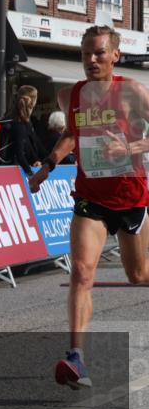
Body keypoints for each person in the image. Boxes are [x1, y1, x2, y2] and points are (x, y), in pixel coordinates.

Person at [29, 25, 149, 389]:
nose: (91, 60)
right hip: (90, 197)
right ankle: (76, 357)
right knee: (81, 272)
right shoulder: (74, 95)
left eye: (98, 53)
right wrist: (48, 166)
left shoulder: (132, 92)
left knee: (138, 276)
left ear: (115, 54)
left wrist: (127, 150)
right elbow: (71, 133)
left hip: (131, 196)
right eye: (85, 54)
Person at [7, 85, 47, 177]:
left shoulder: (25, 121)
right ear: (33, 101)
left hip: (23, 168)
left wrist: (43, 161)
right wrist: (30, 172)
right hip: (16, 173)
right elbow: (19, 153)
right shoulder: (19, 123)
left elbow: (33, 145)